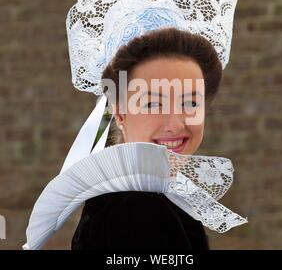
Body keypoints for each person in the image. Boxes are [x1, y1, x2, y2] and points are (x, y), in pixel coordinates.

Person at [71, 28, 221, 250]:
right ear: (121, 114)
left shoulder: (142, 197)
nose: (174, 125)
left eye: (190, 103)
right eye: (152, 104)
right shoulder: (136, 209)